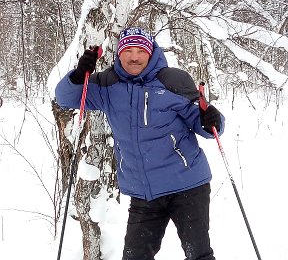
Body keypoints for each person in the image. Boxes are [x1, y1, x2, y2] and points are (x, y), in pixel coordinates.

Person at [55, 27, 225, 260]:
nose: (134, 57)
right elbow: (66, 99)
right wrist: (78, 75)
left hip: (187, 185)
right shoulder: (108, 84)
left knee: (198, 254)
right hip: (144, 192)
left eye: (140, 51)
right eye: (128, 51)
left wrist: (211, 120)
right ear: (119, 54)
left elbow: (203, 122)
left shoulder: (173, 80)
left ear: (151, 52)